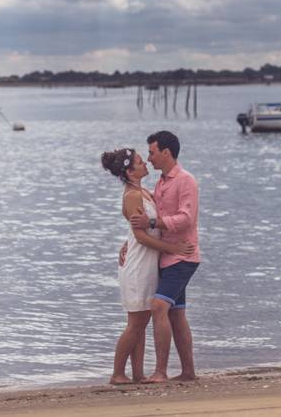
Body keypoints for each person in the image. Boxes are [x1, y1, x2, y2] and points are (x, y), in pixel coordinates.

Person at [101, 148, 194, 385]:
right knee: (137, 322)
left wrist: (127, 241)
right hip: (139, 263)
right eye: (141, 162)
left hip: (147, 260)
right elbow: (141, 236)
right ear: (130, 171)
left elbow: (140, 230)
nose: (146, 164)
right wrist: (172, 249)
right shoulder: (132, 195)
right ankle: (117, 373)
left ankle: (137, 373)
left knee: (140, 320)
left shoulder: (141, 191)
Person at [124, 130, 201, 383]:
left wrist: (154, 221)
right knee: (176, 314)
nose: (149, 158)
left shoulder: (185, 180)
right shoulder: (159, 183)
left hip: (183, 255)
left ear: (166, 153)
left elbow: (186, 218)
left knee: (158, 307)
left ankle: (160, 371)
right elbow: (146, 224)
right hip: (165, 257)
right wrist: (128, 242)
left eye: (152, 152)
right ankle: (188, 372)